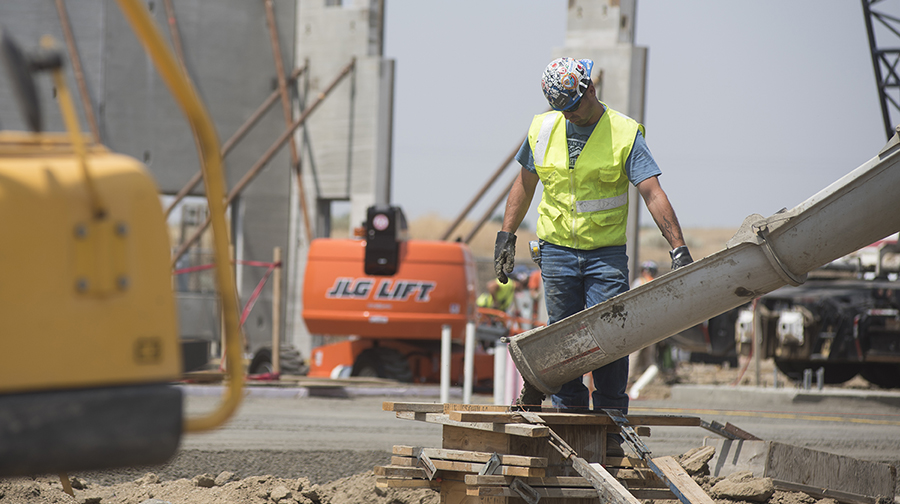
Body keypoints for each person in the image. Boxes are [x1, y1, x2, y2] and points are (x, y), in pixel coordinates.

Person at [493, 57, 693, 453]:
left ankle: (613, 433)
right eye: (562, 108)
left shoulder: (623, 133)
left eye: (573, 105)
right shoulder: (543, 127)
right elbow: (524, 184)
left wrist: (678, 248)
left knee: (611, 341)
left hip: (605, 256)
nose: (569, 114)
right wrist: (505, 234)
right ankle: (570, 434)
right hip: (557, 254)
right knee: (564, 344)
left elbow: (652, 192)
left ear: (590, 89)